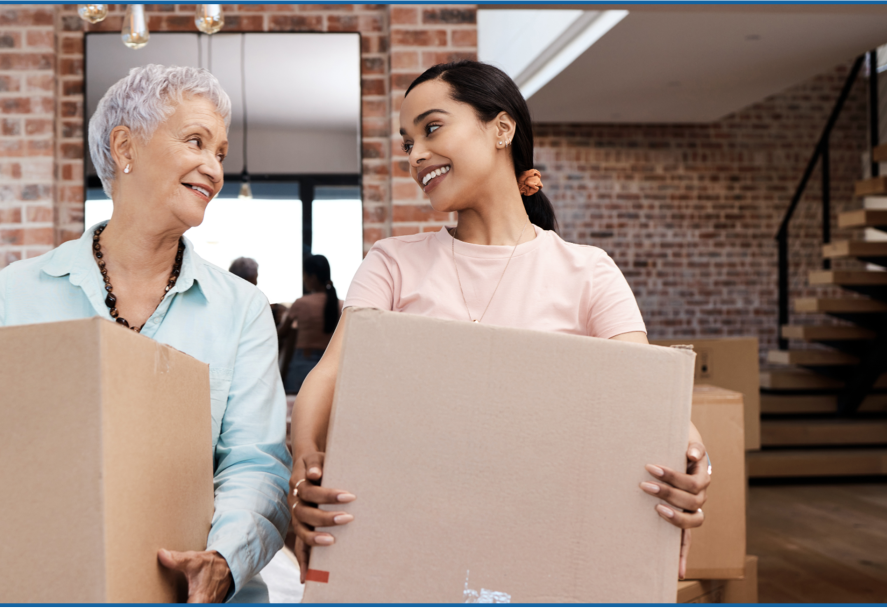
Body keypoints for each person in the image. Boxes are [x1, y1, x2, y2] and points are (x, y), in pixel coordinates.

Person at [286, 61, 710, 582]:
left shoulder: (588, 271)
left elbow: (645, 392)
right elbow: (329, 376)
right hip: (414, 549)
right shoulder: (392, 263)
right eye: (407, 143)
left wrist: (690, 456)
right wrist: (303, 467)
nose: (416, 155)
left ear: (501, 129)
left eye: (432, 128)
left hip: (545, 553)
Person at [0, 65, 291, 603]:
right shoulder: (15, 294)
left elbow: (257, 464)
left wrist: (223, 561)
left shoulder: (241, 309)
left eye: (220, 153)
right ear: (124, 147)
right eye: (195, 141)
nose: (213, 168)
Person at [277, 255, 341, 394]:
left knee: (294, 409)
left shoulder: (302, 303)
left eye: (304, 275)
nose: (304, 279)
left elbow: (281, 333)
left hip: (303, 363)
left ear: (312, 277)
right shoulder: (340, 305)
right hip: (333, 363)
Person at [229, 256, 289, 337]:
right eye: (255, 278)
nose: (256, 282)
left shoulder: (225, 296)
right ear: (248, 279)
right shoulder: (256, 298)